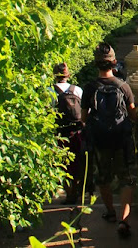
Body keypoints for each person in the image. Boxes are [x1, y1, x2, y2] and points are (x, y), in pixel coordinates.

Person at [81, 43, 138, 238]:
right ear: (114, 63)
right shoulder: (123, 87)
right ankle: (124, 220)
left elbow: (83, 118)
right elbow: (133, 114)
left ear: (96, 64)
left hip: (100, 140)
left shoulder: (89, 88)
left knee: (103, 178)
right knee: (126, 179)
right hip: (121, 139)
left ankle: (110, 212)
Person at [51, 62, 84, 205]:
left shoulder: (50, 91)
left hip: (60, 133)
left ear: (54, 76)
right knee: (77, 162)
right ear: (68, 75)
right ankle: (77, 190)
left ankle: (69, 193)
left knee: (63, 164)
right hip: (77, 132)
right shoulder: (77, 90)